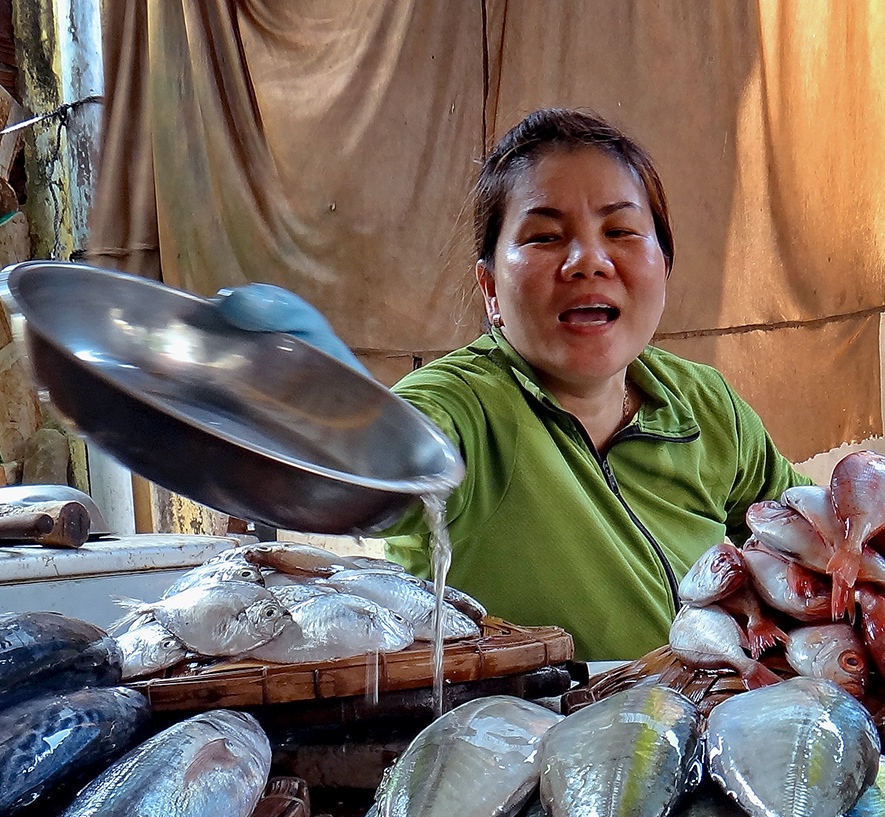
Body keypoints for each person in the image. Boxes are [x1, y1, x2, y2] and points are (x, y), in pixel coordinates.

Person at [220, 108, 807, 660]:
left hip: (702, 734)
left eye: (622, 231)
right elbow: (377, 466)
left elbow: (804, 532)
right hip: (515, 746)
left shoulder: (706, 407)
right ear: (491, 288)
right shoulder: (464, 404)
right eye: (545, 237)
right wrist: (323, 401)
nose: (588, 261)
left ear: (664, 264)